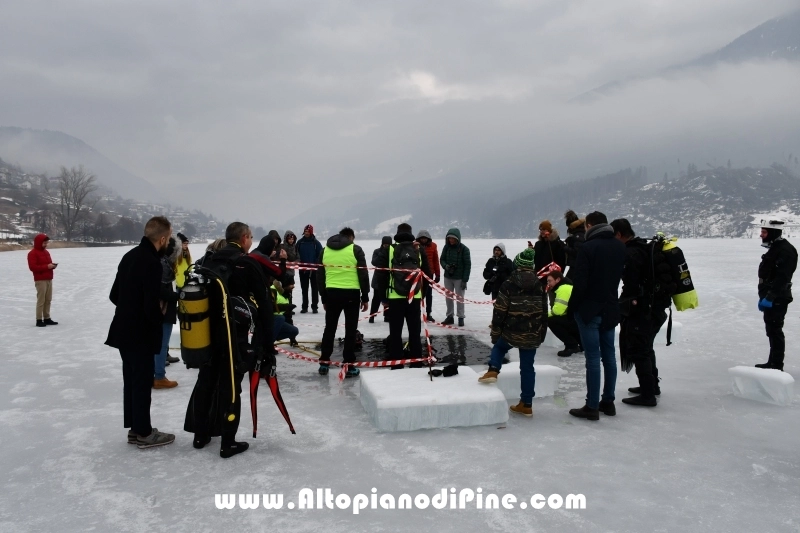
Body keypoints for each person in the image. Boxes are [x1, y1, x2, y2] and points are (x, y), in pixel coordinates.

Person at [186, 222, 273, 458]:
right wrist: (267, 344)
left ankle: (200, 435)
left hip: (206, 334)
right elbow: (265, 304)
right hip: (234, 336)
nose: (251, 242)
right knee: (231, 387)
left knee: (206, 382)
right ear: (244, 238)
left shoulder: (208, 260)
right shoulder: (247, 263)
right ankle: (228, 442)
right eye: (251, 237)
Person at [106, 216, 175, 449]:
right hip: (141, 333)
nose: (169, 243)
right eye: (169, 238)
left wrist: (129, 309)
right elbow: (150, 305)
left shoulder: (130, 256)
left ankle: (136, 429)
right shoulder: (152, 263)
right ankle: (144, 432)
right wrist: (158, 317)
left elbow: (114, 295)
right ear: (162, 239)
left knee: (132, 381)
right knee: (143, 382)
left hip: (123, 330)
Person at [567, 211, 626, 421]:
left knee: (592, 357)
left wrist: (572, 308)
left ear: (589, 226)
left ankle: (591, 405)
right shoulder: (620, 246)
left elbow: (580, 282)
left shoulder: (588, 247)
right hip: (610, 308)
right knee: (609, 356)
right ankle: (608, 401)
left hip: (589, 309)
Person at [611, 218, 673, 406]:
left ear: (619, 235)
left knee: (639, 349)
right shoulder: (642, 247)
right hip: (655, 307)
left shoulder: (631, 253)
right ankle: (652, 386)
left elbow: (631, 285)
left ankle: (648, 394)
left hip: (643, 309)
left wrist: (621, 304)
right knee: (646, 347)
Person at [478, 248, 547, 417]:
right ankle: (527, 404)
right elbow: (544, 312)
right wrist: (541, 334)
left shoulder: (508, 283)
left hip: (511, 330)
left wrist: (495, 333)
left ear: (517, 265)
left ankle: (493, 369)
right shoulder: (539, 285)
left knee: (500, 347)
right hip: (532, 333)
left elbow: (500, 310)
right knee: (527, 368)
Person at [316, 227, 370, 377]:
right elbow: (363, 274)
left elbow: (320, 276)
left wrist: (323, 297)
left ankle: (324, 362)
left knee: (330, 328)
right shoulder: (355, 249)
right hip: (352, 293)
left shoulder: (325, 251)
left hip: (332, 293)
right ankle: (349, 364)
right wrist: (365, 296)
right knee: (350, 330)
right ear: (351, 237)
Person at [386, 223, 432, 367]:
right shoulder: (418, 249)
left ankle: (396, 363)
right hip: (414, 296)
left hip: (395, 297)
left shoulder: (390, 249)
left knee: (395, 332)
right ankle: (416, 362)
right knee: (414, 332)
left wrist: (383, 297)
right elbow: (428, 274)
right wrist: (422, 294)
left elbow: (381, 274)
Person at [756, 219, 797, 371]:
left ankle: (777, 365)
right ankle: (772, 362)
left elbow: (783, 277)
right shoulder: (775, 248)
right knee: (771, 330)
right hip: (771, 295)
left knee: (775, 330)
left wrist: (770, 297)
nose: (761, 235)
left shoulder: (785, 250)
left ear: (773, 232)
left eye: (764, 232)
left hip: (778, 297)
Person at [154, 237, 179, 387]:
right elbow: (160, 290)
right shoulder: (164, 266)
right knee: (161, 344)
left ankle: (154, 374)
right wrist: (177, 296)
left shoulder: (158, 262)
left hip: (156, 310)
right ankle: (159, 376)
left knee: (156, 343)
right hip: (163, 310)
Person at [545, 270, 582, 357]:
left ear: (557, 279)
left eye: (550, 281)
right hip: (578, 319)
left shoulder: (563, 289)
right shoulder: (565, 286)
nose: (548, 284)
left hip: (576, 320)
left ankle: (571, 345)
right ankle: (581, 343)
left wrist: (544, 315)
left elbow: (558, 311)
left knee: (551, 320)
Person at [440, 228, 471, 326]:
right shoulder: (446, 248)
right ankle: (450, 316)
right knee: (448, 297)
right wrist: (446, 266)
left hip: (459, 278)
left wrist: (465, 280)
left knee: (459, 298)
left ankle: (461, 317)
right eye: (449, 238)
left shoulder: (464, 249)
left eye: (453, 238)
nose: (451, 240)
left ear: (458, 239)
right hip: (448, 277)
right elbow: (442, 259)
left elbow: (467, 265)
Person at [27, 233, 58, 327]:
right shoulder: (32, 253)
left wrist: (52, 266)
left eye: (46, 243)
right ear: (39, 242)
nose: (46, 244)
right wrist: (47, 267)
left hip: (49, 278)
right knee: (41, 300)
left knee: (48, 299)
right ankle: (39, 320)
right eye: (44, 243)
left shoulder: (46, 252)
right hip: (40, 280)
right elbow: (33, 267)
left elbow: (47, 264)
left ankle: (47, 318)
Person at [296, 224, 324, 314]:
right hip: (303, 270)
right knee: (304, 289)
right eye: (305, 231)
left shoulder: (316, 243)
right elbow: (296, 254)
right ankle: (304, 307)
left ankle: (314, 306)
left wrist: (316, 263)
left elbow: (321, 255)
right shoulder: (300, 243)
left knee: (315, 289)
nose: (306, 233)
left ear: (311, 232)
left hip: (314, 270)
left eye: (308, 231)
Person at [417, 230, 440, 322]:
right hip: (418, 273)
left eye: (425, 238)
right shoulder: (415, 246)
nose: (423, 240)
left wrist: (437, 274)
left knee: (429, 294)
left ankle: (428, 313)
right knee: (417, 294)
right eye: (422, 238)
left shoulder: (433, 246)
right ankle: (417, 312)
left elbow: (436, 260)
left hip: (429, 274)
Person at [369, 236, 392, 323]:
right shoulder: (377, 251)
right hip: (378, 278)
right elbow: (374, 262)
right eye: (384, 244)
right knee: (376, 298)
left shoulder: (392, 252)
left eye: (388, 244)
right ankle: (372, 315)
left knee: (388, 298)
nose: (386, 246)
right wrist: (382, 253)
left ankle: (387, 316)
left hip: (389, 277)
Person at [281, 230, 299, 323]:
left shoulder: (295, 247)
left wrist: (295, 262)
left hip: (291, 272)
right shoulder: (282, 247)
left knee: (290, 290)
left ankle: (290, 307)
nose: (291, 240)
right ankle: (284, 307)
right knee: (284, 290)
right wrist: (286, 262)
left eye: (292, 239)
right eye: (289, 239)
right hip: (284, 272)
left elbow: (298, 258)